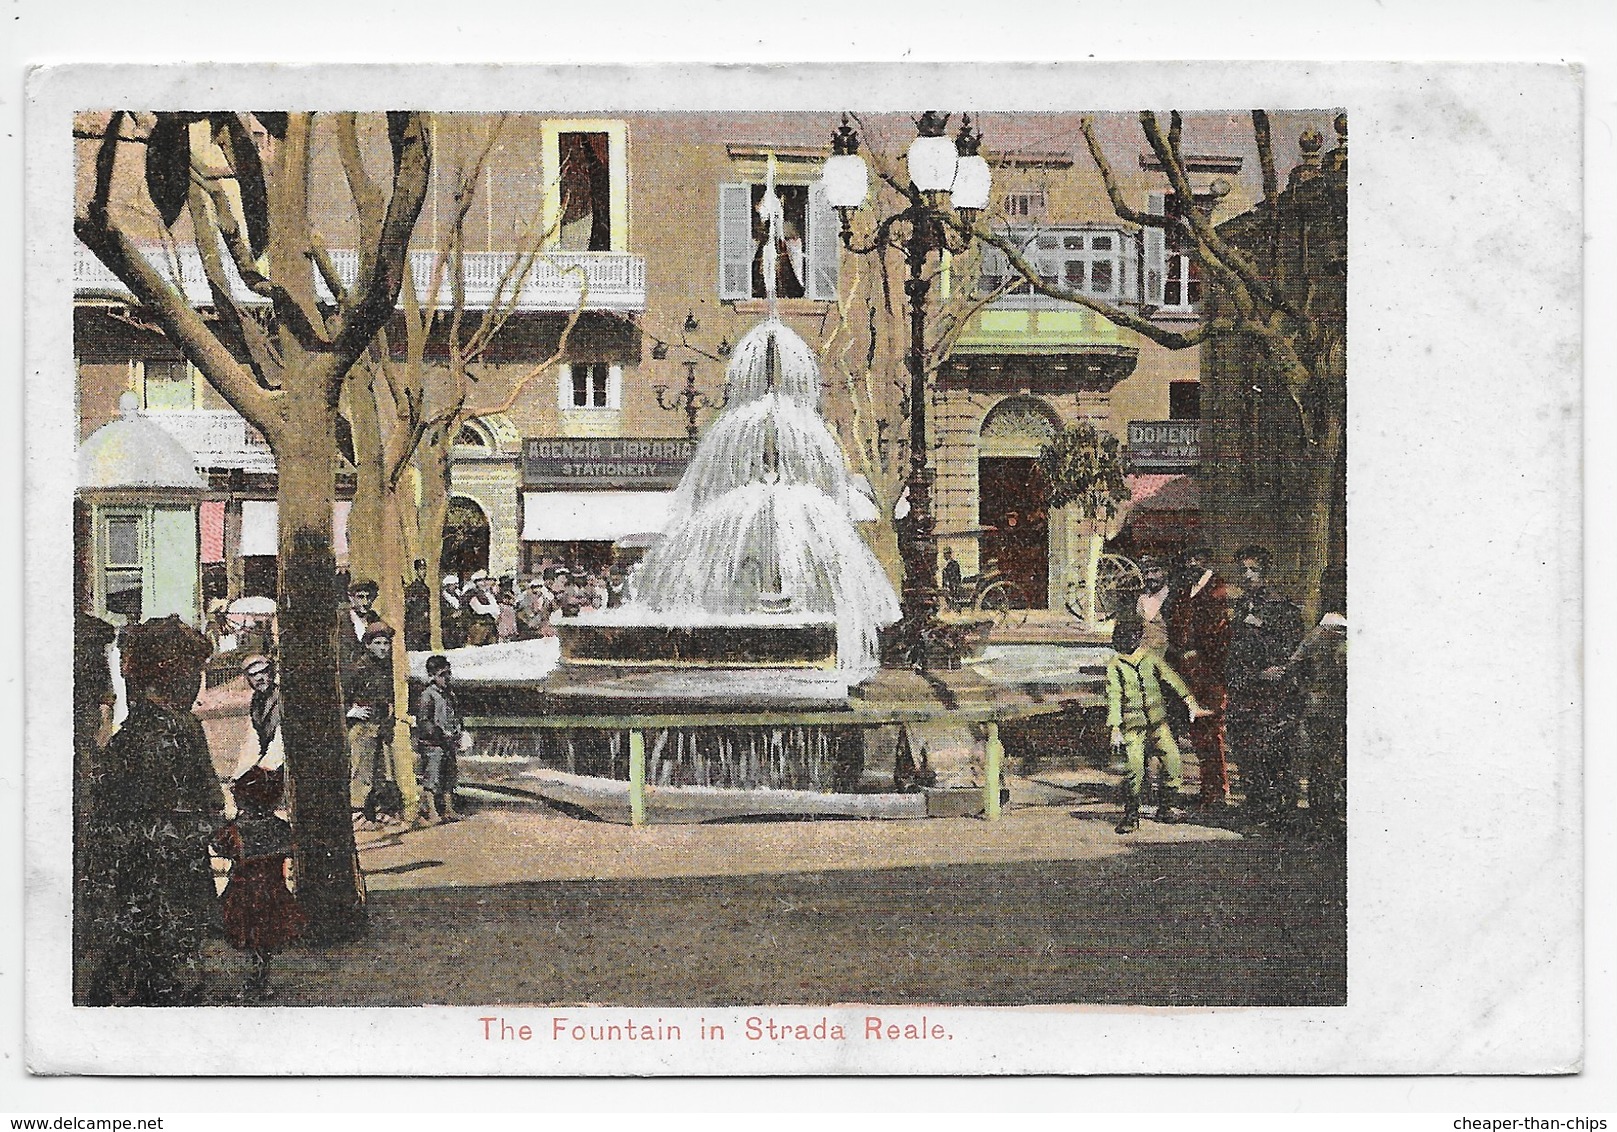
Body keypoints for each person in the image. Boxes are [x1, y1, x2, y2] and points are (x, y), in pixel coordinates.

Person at [81, 616, 222, 1006]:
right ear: (175, 675)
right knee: (160, 951)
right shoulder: (169, 733)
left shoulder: (143, 733)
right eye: (193, 672)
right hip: (164, 866)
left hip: (151, 864)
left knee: (146, 950)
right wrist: (210, 825)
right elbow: (200, 800)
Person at [211, 764, 306, 1001]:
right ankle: (261, 979)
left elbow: (219, 848)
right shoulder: (281, 828)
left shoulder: (235, 830)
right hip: (273, 892)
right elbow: (291, 849)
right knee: (264, 941)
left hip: (244, 894)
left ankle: (256, 981)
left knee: (251, 938)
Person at [1225, 545, 1305, 826]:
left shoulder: (1282, 608)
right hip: (1245, 689)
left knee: (1273, 751)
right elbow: (1235, 650)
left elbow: (1292, 649)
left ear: (1266, 573)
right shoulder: (1240, 607)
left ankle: (1279, 810)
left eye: (1254, 570)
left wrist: (1276, 670)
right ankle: (1256, 805)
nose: (1247, 576)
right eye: (1243, 570)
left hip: (1273, 693)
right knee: (1246, 751)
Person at [1105, 617, 1208, 834]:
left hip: (1158, 722)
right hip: (1132, 726)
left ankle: (1166, 807)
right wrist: (1115, 728)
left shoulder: (1150, 658)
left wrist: (1190, 702)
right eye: (1125, 636)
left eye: (1134, 635)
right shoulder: (1116, 665)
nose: (1131, 640)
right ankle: (1131, 815)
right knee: (1135, 770)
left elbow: (1172, 679)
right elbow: (1114, 696)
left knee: (1172, 761)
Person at [1166, 544, 1234, 809]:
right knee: (1197, 730)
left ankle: (1218, 790)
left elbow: (1217, 630)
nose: (1192, 563)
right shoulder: (1184, 591)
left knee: (1211, 729)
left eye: (1197, 558)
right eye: (1189, 559)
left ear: (1206, 560)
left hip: (1210, 670)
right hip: (1187, 669)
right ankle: (1207, 789)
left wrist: (1195, 651)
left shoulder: (1216, 588)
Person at [1287, 563, 1348, 840]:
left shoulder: (1317, 633)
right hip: (1337, 706)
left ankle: (1320, 817)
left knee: (1322, 764)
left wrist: (1305, 690)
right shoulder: (1340, 634)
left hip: (1317, 705)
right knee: (1334, 762)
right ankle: (1330, 817)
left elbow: (1295, 666)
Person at [341, 622, 396, 825]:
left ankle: (379, 811)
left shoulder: (387, 669)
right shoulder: (358, 669)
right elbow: (341, 697)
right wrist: (351, 711)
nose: (383, 647)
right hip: (362, 728)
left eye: (386, 643)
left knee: (381, 771)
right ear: (367, 645)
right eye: (378, 643)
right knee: (361, 771)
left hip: (381, 725)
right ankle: (358, 814)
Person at [414, 655, 466, 825]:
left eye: (448, 673)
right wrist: (438, 734)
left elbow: (455, 715)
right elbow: (423, 721)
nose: (447, 678)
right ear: (432, 676)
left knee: (449, 777)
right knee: (432, 778)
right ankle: (431, 810)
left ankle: (449, 809)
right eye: (442, 674)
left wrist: (458, 731)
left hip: (448, 743)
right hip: (433, 744)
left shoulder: (450, 694)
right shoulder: (427, 695)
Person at [230, 654, 285, 780]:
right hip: (268, 760)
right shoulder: (256, 701)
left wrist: (265, 767)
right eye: (253, 674)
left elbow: (280, 739)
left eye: (263, 672)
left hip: (281, 760)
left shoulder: (281, 696)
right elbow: (253, 740)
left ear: (271, 673)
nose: (259, 678)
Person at [1133, 553, 1172, 657]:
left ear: (1165, 571)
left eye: (1155, 571)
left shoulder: (1173, 597)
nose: (1150, 577)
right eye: (1146, 572)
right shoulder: (1142, 599)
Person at [340, 579, 381, 667]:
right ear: (351, 598)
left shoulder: (374, 618)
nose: (366, 602)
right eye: (361, 597)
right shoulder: (343, 620)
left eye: (369, 597)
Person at [463, 570, 499, 646]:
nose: (483, 583)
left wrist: (491, 610)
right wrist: (491, 609)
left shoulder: (488, 593)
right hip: (478, 625)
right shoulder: (471, 593)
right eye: (480, 581)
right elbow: (479, 609)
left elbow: (496, 608)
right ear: (475, 583)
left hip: (490, 625)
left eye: (484, 580)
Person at [403, 559, 432, 652]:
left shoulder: (425, 588)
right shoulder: (413, 588)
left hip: (425, 626)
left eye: (424, 569)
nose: (423, 572)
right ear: (416, 571)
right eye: (421, 569)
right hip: (415, 626)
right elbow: (409, 607)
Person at [439, 574, 466, 650]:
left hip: (459, 627)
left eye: (455, 585)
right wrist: (451, 615)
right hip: (448, 627)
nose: (454, 587)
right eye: (452, 585)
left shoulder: (458, 595)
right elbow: (443, 613)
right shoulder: (443, 598)